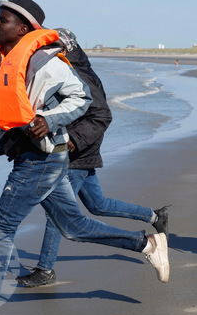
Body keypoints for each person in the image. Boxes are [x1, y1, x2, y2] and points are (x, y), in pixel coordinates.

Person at [0, 0, 169, 315]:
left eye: (2, 20)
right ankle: (147, 245)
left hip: (42, 157)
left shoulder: (48, 63)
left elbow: (83, 98)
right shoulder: (1, 60)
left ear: (24, 28)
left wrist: (49, 118)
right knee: (74, 226)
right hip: (33, 154)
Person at [16, 28, 169, 288]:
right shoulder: (64, 68)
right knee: (97, 204)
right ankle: (155, 216)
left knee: (59, 216)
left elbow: (102, 115)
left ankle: (45, 270)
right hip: (77, 150)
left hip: (74, 152)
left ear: (63, 48)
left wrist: (73, 142)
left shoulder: (77, 72)